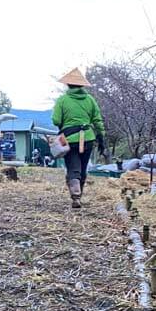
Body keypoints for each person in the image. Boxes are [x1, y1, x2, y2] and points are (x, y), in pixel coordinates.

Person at [52, 67, 107, 209]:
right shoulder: (90, 100)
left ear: (68, 85)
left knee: (73, 166)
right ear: (82, 85)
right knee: (83, 167)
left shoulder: (62, 100)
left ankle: (75, 193)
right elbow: (98, 120)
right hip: (88, 138)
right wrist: (101, 138)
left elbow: (56, 121)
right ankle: (79, 193)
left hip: (70, 139)